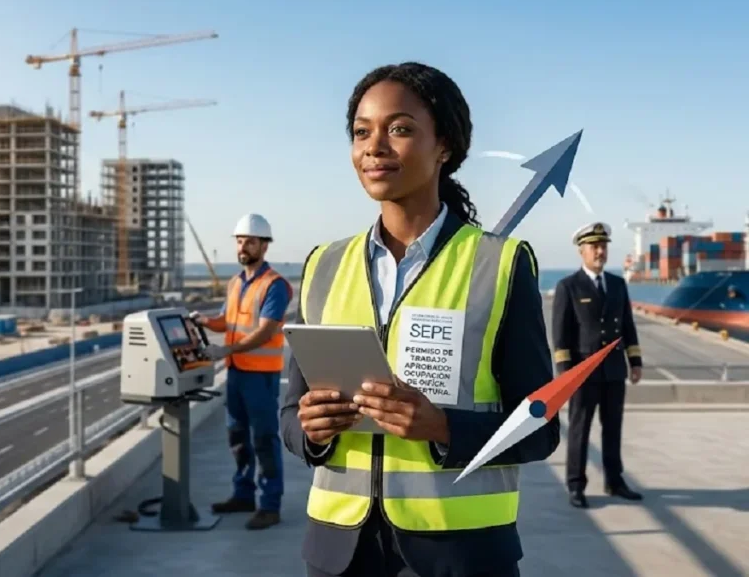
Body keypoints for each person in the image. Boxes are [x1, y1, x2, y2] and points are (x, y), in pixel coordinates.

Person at [280, 61, 561, 577]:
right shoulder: (322, 266)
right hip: (339, 552)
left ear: (445, 148)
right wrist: (312, 431)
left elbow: (540, 428)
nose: (375, 146)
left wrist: (442, 426)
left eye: (400, 129)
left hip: (461, 553)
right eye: (362, 132)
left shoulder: (500, 263)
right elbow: (288, 417)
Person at [196, 213, 293, 530]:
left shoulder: (275, 286)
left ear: (264, 246)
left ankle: (269, 504)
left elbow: (265, 332)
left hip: (261, 376)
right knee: (237, 437)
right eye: (239, 241)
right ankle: (243, 494)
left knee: (264, 439)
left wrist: (226, 350)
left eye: (250, 241)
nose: (243, 247)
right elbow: (227, 321)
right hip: (237, 373)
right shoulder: (236, 283)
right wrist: (203, 321)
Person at [552, 222, 644, 509]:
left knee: (613, 428)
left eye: (603, 246)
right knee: (580, 429)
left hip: (614, 371)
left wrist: (635, 361)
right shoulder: (569, 286)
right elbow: (560, 334)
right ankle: (576, 485)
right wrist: (566, 375)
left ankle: (615, 481)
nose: (600, 251)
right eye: (594, 246)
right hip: (583, 373)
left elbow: (627, 325)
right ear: (582, 251)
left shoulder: (617, 285)